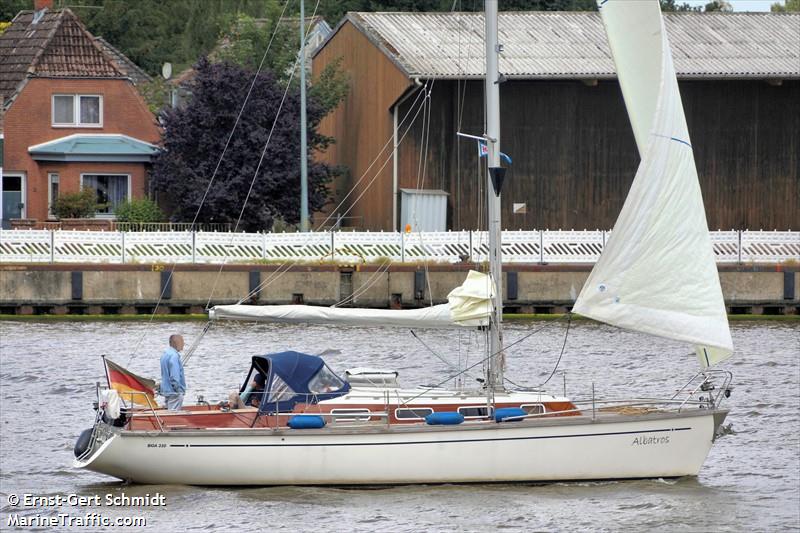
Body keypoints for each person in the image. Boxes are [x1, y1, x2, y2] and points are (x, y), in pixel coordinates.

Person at [160, 334, 186, 410]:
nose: (183, 344)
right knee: (173, 414)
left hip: (166, 391)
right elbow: (174, 377)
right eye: (182, 342)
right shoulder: (174, 356)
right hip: (174, 393)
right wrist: (178, 391)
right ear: (176, 342)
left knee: (168, 411)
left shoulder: (165, 355)